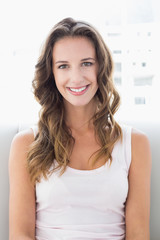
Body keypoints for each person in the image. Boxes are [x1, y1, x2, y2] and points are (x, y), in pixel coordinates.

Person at [9, 18, 152, 240]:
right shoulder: (26, 144)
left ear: (101, 67)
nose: (76, 78)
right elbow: (20, 235)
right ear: (52, 73)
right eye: (63, 66)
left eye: (86, 63)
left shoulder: (135, 144)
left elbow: (139, 235)